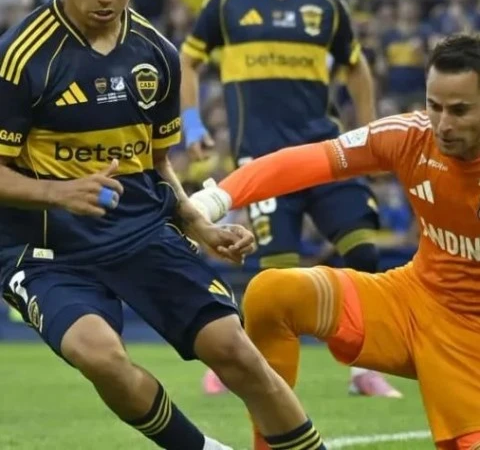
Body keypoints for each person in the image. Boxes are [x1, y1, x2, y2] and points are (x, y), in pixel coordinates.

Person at [0, 0, 327, 450]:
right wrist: (60, 193)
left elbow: (154, 164)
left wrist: (199, 225)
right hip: (48, 252)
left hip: (141, 233)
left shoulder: (157, 55)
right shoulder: (20, 58)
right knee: (99, 356)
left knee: (236, 351)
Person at [190, 32, 480, 450]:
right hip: (412, 301)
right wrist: (214, 200)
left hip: (470, 341)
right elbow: (305, 161)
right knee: (273, 292)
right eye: (435, 106)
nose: (443, 124)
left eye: (460, 110)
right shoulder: (411, 136)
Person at [180, 0, 401, 398]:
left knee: (364, 252)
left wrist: (370, 136)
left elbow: (357, 67)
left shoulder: (326, 3)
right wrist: (192, 126)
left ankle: (364, 369)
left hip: (325, 155)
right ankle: (242, 367)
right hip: (262, 163)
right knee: (276, 276)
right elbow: (188, 61)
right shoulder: (227, 2)